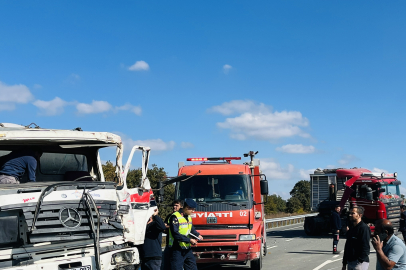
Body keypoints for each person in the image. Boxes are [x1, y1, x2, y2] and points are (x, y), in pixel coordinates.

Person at [168, 199, 203, 270]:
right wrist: (189, 240)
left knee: (192, 268)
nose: (193, 211)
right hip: (177, 249)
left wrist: (197, 235)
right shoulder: (175, 217)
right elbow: (175, 234)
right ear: (187, 208)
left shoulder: (189, 216)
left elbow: (191, 228)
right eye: (192, 209)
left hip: (187, 249)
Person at [161, 200, 182, 270]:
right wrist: (171, 227)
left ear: (181, 206)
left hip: (179, 244)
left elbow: (178, 228)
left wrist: (170, 227)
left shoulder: (181, 217)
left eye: (177, 205)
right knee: (166, 264)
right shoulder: (170, 216)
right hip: (169, 244)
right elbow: (164, 227)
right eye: (174, 205)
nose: (174, 207)